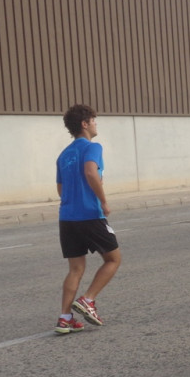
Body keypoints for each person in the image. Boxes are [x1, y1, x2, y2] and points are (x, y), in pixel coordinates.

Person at [54, 104, 121, 335]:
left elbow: (61, 190)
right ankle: (88, 300)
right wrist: (103, 201)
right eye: (94, 120)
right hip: (90, 214)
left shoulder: (63, 154)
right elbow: (91, 172)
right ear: (85, 124)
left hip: (67, 217)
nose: (96, 124)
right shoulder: (93, 148)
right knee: (113, 259)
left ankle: (64, 318)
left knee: (75, 268)